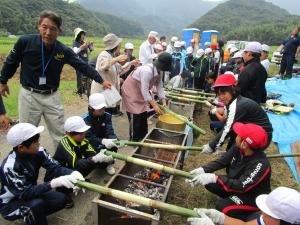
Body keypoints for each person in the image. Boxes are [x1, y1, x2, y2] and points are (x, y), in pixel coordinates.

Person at [0, 10, 112, 148]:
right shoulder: (25, 42)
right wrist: (3, 81)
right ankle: (27, 166)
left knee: (59, 133)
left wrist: (101, 80)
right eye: (44, 27)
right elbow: (12, 61)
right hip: (29, 95)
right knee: (27, 133)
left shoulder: (62, 50)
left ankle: (62, 163)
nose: (48, 32)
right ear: (38, 26)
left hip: (52, 96)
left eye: (53, 29)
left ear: (59, 30)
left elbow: (82, 66)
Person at [0, 123, 85, 225]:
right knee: (36, 205)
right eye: (35, 142)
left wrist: (73, 173)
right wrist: (52, 183)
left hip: (31, 192)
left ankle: (34, 215)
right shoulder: (10, 167)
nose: (39, 144)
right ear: (21, 147)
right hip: (11, 203)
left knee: (62, 199)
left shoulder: (38, 151)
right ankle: (30, 216)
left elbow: (55, 167)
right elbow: (25, 194)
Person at [188, 122, 271, 221]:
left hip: (251, 197)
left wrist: (215, 178)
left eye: (239, 135)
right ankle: (231, 199)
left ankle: (247, 218)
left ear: (244, 144)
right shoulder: (238, 148)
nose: (236, 135)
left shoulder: (260, 165)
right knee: (209, 182)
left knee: (222, 207)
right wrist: (203, 170)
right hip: (235, 184)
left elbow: (241, 185)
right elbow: (223, 161)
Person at [201, 74, 273, 154]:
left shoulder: (238, 105)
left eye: (224, 93)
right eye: (219, 94)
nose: (221, 97)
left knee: (238, 159)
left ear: (233, 90)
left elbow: (227, 129)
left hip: (262, 137)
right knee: (231, 151)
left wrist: (212, 146)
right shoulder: (233, 101)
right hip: (251, 131)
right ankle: (230, 154)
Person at [121, 53, 171, 141]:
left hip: (141, 92)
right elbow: (144, 90)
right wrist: (154, 105)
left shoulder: (160, 71)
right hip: (131, 91)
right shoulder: (147, 71)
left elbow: (159, 86)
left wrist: (163, 100)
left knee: (143, 114)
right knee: (135, 116)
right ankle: (134, 140)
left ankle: (143, 137)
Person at [187, 186, 300, 225]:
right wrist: (220, 217)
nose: (263, 215)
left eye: (269, 214)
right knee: (252, 218)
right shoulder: (275, 220)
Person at [90, 33, 127, 116]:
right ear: (115, 47)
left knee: (107, 115)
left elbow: (120, 70)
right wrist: (116, 59)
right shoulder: (104, 55)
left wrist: (131, 64)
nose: (120, 48)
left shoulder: (111, 56)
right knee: (101, 115)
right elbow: (102, 66)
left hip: (108, 91)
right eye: (119, 46)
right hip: (101, 91)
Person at [83, 93, 119, 175]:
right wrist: (103, 141)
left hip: (104, 139)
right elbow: (89, 137)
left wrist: (113, 140)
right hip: (92, 142)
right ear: (91, 108)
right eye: (99, 109)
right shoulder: (85, 120)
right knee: (97, 162)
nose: (103, 111)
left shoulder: (107, 116)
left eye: (103, 108)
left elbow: (110, 131)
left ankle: (109, 164)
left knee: (114, 142)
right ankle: (96, 163)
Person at [72, 27, 94, 97]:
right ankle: (80, 91)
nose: (83, 36)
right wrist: (82, 47)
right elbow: (75, 51)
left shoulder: (84, 42)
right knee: (80, 77)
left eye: (84, 35)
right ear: (78, 35)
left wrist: (91, 46)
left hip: (85, 62)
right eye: (82, 35)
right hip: (78, 62)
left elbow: (92, 50)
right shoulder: (75, 43)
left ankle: (85, 90)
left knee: (87, 76)